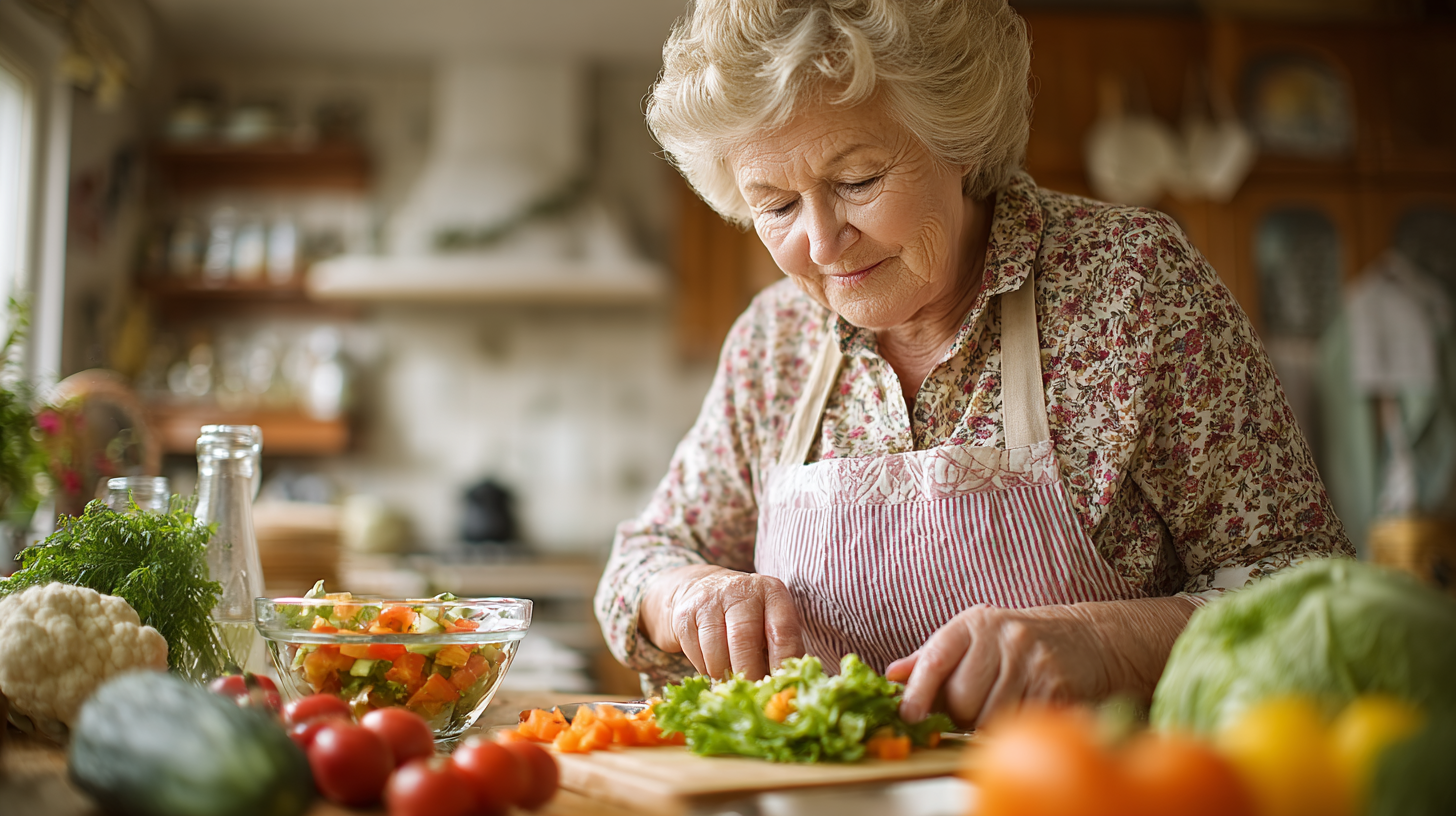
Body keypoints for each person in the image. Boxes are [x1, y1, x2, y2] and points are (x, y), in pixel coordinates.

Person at [595, 0, 1352, 729]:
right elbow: (645, 558)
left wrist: (1106, 645)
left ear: (957, 141)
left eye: (857, 182)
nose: (822, 245)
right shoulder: (774, 340)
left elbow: (1314, 592)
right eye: (777, 206)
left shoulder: (1130, 282)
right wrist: (687, 594)